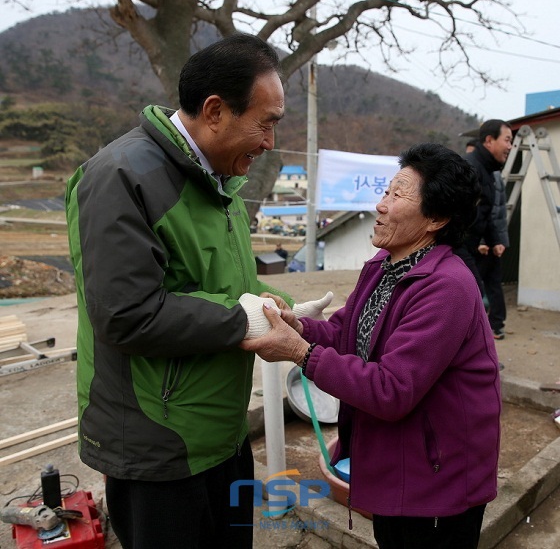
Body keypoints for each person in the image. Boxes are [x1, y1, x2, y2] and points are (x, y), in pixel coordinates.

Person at [65, 33, 298, 549]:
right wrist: (247, 320)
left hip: (223, 434)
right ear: (215, 111)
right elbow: (127, 314)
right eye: (266, 123)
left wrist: (264, 298)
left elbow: (219, 285)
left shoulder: (220, 181)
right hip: (160, 450)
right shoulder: (120, 178)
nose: (270, 142)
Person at [242, 143, 502, 549]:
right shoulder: (386, 265)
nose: (380, 205)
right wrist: (298, 326)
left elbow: (391, 389)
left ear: (435, 218)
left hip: (437, 478)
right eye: (385, 191)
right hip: (398, 462)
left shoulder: (447, 287)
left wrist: (298, 352)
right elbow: (346, 336)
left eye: (397, 196)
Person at [465, 120, 513, 340]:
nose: (510, 146)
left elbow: (485, 214)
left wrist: (495, 241)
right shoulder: (471, 170)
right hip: (459, 250)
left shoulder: (487, 171)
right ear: (489, 140)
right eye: (507, 140)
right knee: (475, 299)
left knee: (479, 297)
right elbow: (461, 219)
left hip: (471, 247)